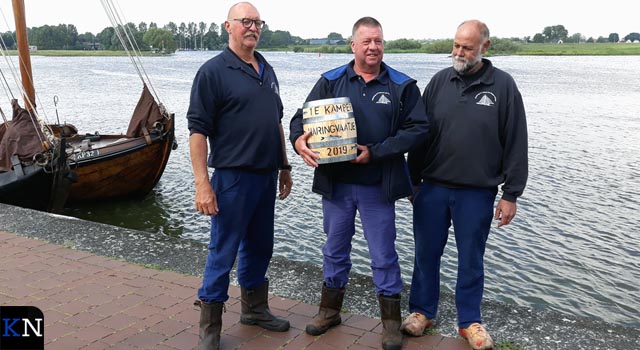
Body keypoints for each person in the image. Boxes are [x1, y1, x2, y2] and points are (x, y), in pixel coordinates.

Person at [290, 16, 429, 350]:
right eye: (366, 41)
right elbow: (300, 119)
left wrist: (376, 152)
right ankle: (329, 311)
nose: (373, 47)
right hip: (336, 184)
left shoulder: (402, 85)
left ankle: (391, 323)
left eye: (378, 41)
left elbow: (419, 129)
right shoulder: (330, 80)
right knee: (334, 249)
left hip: (378, 186)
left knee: (383, 255)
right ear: (353, 45)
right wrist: (299, 143)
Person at [402, 20, 528, 350]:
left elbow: (516, 141)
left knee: (471, 258)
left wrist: (511, 193)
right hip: (432, 188)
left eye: (467, 47)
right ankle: (421, 312)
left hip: (477, 191)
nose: (458, 52)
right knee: (425, 254)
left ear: (485, 47)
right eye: (456, 45)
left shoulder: (502, 86)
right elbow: (420, 134)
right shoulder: (440, 81)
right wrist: (411, 180)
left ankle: (469, 320)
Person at [186, 2, 292, 349]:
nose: (253, 27)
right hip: (232, 177)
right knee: (223, 249)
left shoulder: (267, 68)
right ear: (227, 26)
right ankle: (210, 329)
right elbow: (198, 132)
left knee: (261, 246)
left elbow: (275, 121)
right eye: (245, 21)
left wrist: (285, 165)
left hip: (265, 176)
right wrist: (203, 184)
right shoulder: (213, 72)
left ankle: (254, 309)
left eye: (257, 22)